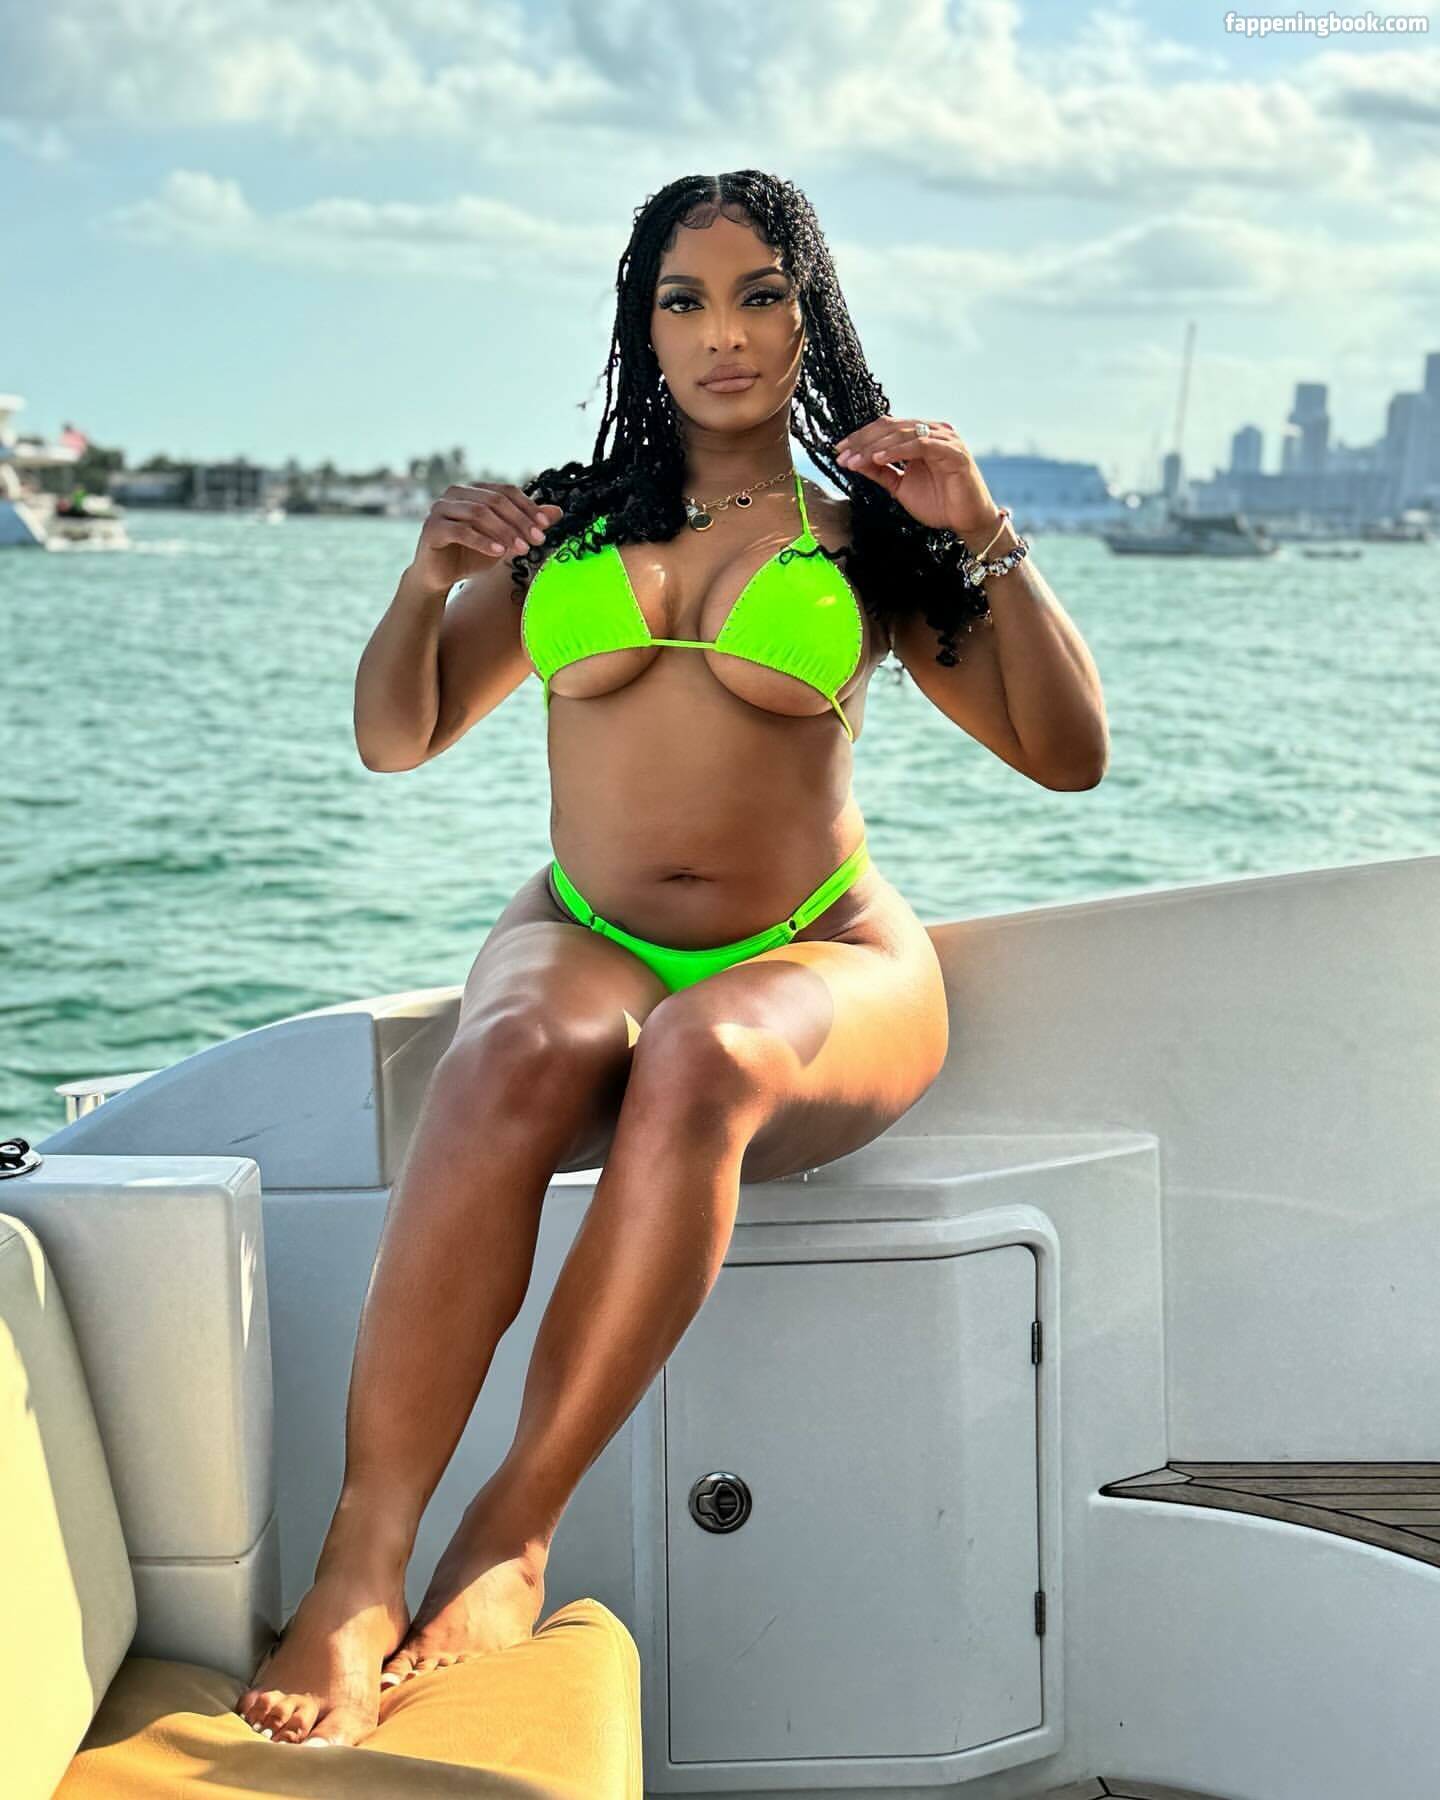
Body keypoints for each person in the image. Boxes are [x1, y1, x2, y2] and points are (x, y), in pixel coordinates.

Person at [235, 169, 1108, 1750]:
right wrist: (428, 580)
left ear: (809, 319)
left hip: (818, 950)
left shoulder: (870, 539)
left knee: (705, 1055)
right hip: (588, 930)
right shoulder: (568, 531)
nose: (724, 333)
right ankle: (360, 1563)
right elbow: (398, 736)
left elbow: (1069, 757)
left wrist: (985, 533)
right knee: (508, 1052)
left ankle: (511, 1530)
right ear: (642, 329)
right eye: (684, 300)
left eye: (760, 295)